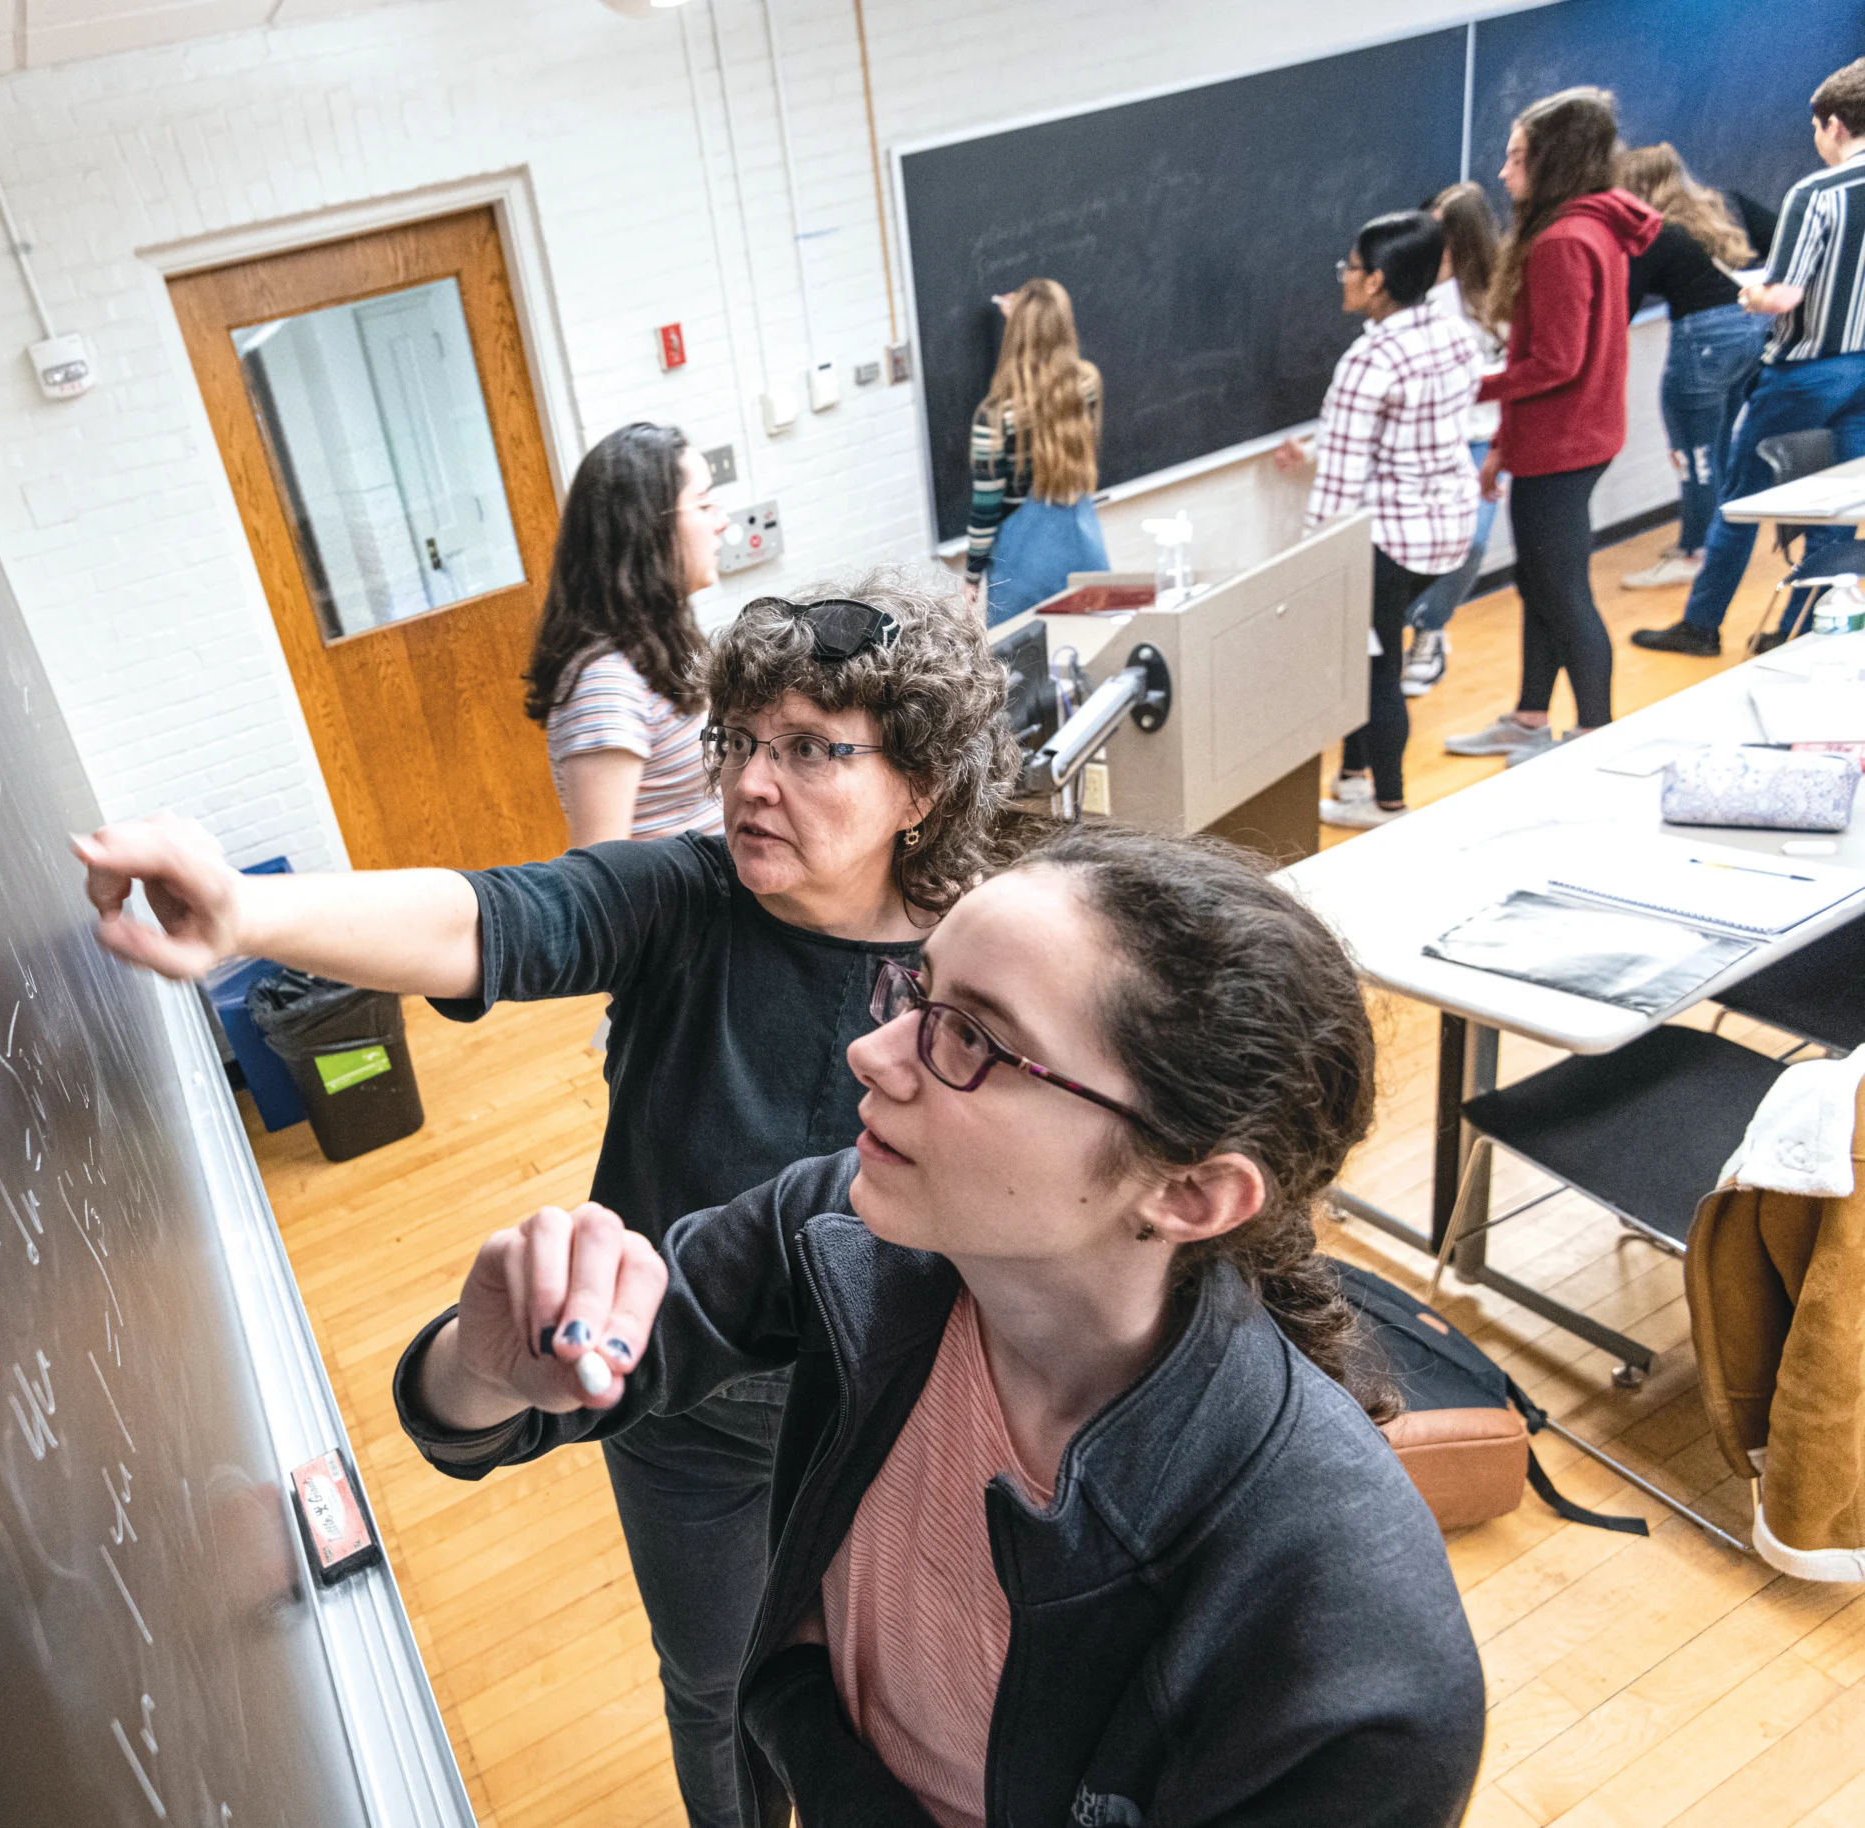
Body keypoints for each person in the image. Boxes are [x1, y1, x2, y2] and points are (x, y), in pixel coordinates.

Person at [74, 572, 1024, 1828]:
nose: (748, 780)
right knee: (717, 1683)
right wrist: (250, 914)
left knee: (892, 1682)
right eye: (740, 738)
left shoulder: (983, 957)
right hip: (679, 1404)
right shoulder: (679, 898)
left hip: (899, 1399)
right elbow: (488, 916)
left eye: (809, 750)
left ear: (921, 787)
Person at [391, 824, 1486, 1828]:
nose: (871, 1055)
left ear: (1190, 1192)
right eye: (913, 995)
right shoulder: (848, 1232)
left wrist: (801, 1720)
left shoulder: (1353, 1657)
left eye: (968, 1038)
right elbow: (510, 1401)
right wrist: (484, 1365)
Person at [1444, 89, 1661, 765]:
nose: (1504, 174)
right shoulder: (1590, 227)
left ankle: (1595, 732)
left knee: (1561, 589)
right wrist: (1503, 445)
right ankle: (1531, 718)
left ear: (1554, 160)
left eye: (1517, 158)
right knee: (1540, 583)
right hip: (1560, 437)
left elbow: (1555, 362)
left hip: (1562, 444)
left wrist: (1466, 386)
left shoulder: (1565, 240)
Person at [1635, 59, 1865, 657]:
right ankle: (1798, 627)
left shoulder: (1815, 193)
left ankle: (1701, 625)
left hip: (1806, 375)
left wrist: (1750, 292)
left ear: (1835, 125)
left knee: (1741, 498)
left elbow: (1782, 295)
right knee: (1837, 503)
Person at [1277, 212, 1482, 830]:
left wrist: (1313, 561)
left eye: (1353, 268)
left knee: (1374, 666)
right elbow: (1412, 431)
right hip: (1448, 527)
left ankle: (1387, 803)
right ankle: (1351, 779)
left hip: (1389, 539)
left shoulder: (1369, 359)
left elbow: (1340, 481)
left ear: (1379, 281)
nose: (1344, 278)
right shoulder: (1452, 334)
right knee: (1374, 647)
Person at [524, 423, 731, 847]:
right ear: (647, 529)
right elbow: (601, 877)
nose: (723, 523)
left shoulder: (659, 647)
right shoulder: (605, 683)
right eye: (705, 504)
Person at [1613, 145, 1767, 593]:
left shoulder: (1655, 232)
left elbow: (1624, 305)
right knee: (1716, 446)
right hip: (1751, 333)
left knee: (1691, 454)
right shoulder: (1727, 206)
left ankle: (1694, 552)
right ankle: (1712, 542)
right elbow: (1785, 237)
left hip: (1701, 345)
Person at [1402, 183, 1509, 697]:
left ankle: (1428, 631)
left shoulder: (1504, 288)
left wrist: (1475, 381)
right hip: (1424, 442)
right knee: (1416, 545)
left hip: (1482, 439)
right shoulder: (1413, 294)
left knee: (1472, 540)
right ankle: (1415, 626)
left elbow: (1524, 366)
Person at [963, 279, 1107, 626]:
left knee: (1023, 666)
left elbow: (986, 509)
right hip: (1083, 544)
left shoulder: (995, 417)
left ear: (1016, 333)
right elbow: (1049, 396)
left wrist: (972, 576)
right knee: (1092, 652)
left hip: (1024, 565)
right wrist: (1032, 314)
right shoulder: (1085, 386)